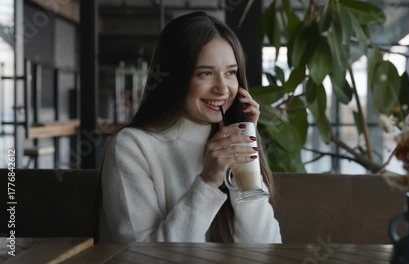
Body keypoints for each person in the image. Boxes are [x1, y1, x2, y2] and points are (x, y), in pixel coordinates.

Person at [100, 11, 282, 243]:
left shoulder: (229, 137)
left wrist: (244, 156)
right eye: (205, 73)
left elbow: (266, 245)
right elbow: (141, 256)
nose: (223, 89)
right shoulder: (131, 146)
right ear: (173, 78)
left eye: (231, 72)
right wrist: (207, 182)